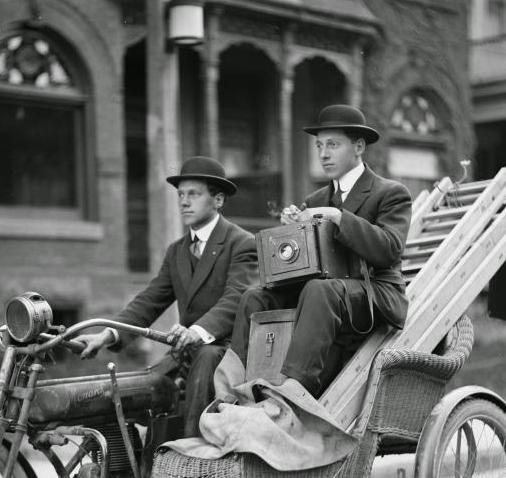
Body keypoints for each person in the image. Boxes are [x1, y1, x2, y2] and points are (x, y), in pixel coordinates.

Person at [230, 104, 413, 397]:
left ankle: (293, 390)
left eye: (333, 144)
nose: (323, 153)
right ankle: (235, 385)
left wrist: (338, 216)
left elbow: (390, 249)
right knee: (255, 296)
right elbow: (307, 263)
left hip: (376, 293)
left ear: (359, 146)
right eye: (319, 145)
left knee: (319, 290)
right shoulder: (316, 198)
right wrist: (290, 231)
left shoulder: (390, 192)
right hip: (327, 293)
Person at [73, 156, 257, 437]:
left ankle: (193, 454)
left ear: (218, 200)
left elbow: (236, 298)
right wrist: (106, 335)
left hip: (225, 352)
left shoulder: (241, 243)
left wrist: (197, 332)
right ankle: (137, 469)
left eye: (193, 194)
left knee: (205, 358)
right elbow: (149, 300)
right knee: (133, 393)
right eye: (181, 195)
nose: (184, 202)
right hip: (187, 353)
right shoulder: (177, 250)